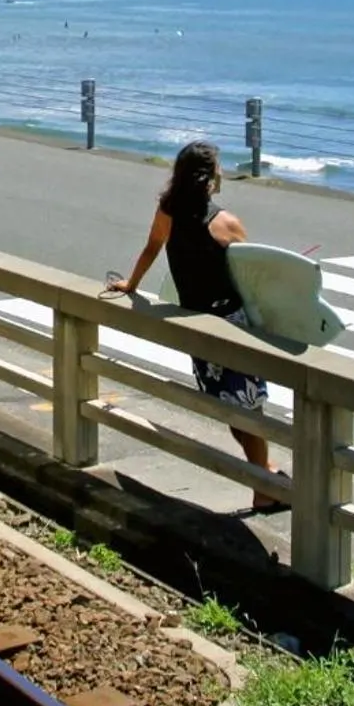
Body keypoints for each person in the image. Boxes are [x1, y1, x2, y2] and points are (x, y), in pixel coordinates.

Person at [107, 141, 287, 513]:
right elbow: (253, 279)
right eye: (218, 167)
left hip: (198, 327)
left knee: (233, 407)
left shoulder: (168, 211)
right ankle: (264, 488)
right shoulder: (226, 223)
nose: (221, 173)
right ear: (208, 177)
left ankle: (264, 471)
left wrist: (132, 285)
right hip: (232, 327)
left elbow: (152, 247)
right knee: (250, 409)